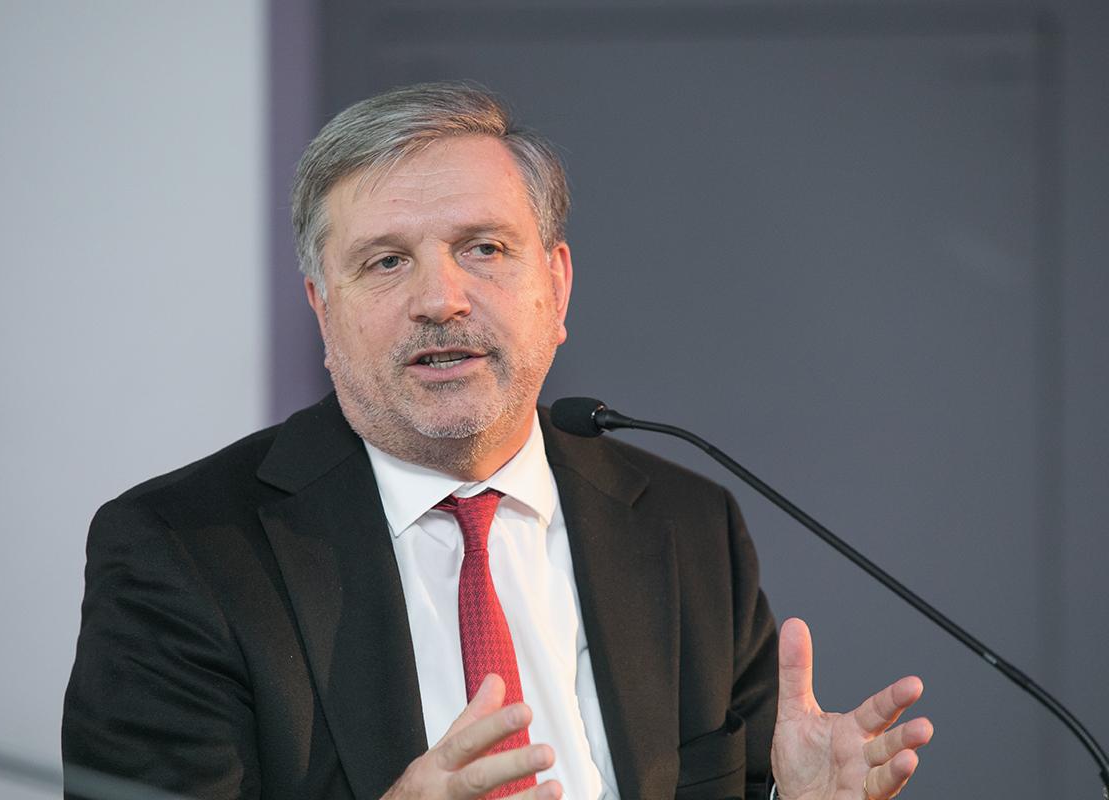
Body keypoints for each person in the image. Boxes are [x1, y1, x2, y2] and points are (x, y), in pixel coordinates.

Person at [63, 82, 932, 800]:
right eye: (386, 262)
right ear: (323, 312)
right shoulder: (183, 552)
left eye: (482, 248)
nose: (440, 299)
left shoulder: (686, 525)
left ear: (556, 287)